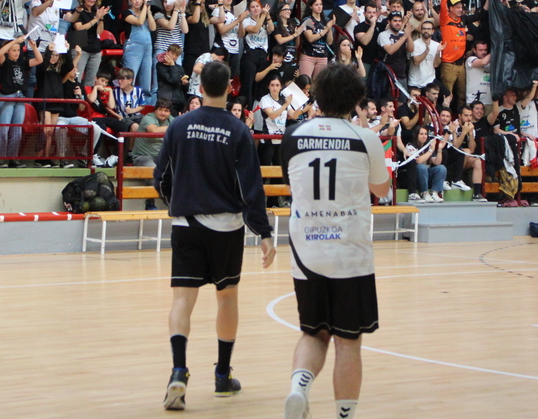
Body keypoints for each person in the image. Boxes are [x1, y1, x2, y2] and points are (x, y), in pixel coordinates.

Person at [153, 60, 276, 411]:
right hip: (226, 228)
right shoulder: (238, 131)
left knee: (182, 301)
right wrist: (263, 233)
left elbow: (161, 177)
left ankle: (179, 370)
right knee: (227, 298)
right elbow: (251, 187)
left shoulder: (179, 125)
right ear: (230, 89)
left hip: (186, 224)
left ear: (201, 87)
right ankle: (222, 375)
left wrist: (176, 202)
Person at [280, 62, 391, 419]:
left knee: (314, 333)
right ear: (356, 99)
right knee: (348, 341)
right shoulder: (366, 139)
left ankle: (298, 387)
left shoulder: (293, 136)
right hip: (350, 254)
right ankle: (344, 414)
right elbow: (382, 189)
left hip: (306, 251)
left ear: (317, 95)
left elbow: (291, 183)